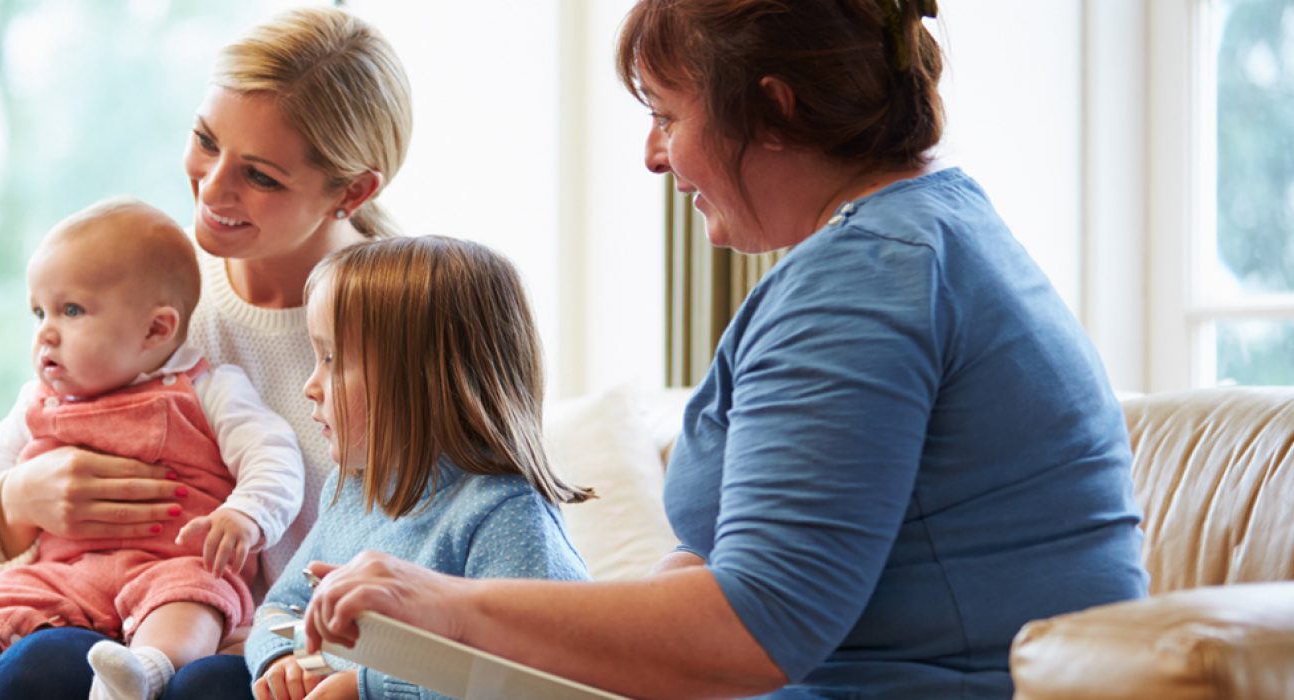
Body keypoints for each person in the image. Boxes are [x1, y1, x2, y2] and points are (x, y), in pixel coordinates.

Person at [293, 1, 1147, 698]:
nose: (654, 156)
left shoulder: (867, 278)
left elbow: (756, 626)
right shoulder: (919, 236)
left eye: (668, 115)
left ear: (774, 107)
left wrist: (446, 604)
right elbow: (728, 582)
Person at [0, 7, 413, 698]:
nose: (211, 189)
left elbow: (435, 543)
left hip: (295, 654)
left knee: (207, 688)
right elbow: (33, 429)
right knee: (41, 666)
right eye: (206, 140)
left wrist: (274, 634)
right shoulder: (150, 282)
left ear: (352, 192)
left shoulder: (405, 320)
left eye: (260, 176)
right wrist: (15, 501)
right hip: (123, 613)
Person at [0, 199, 305, 700]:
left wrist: (248, 514)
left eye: (71, 310)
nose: (46, 332)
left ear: (156, 329)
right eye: (39, 311)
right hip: (63, 573)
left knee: (198, 599)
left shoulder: (209, 388)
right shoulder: (37, 402)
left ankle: (143, 674)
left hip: (171, 561)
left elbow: (275, 456)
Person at [247, 236, 592, 700]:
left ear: (420, 378)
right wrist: (289, 660)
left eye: (331, 359)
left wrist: (365, 690)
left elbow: (528, 681)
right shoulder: (349, 489)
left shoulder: (504, 515)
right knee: (207, 680)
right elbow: (282, 607)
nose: (311, 385)